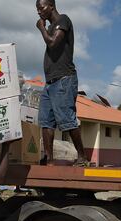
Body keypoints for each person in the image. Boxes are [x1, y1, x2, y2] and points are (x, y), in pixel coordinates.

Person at [36, 0, 88, 166]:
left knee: (66, 119)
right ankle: (49, 160)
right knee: (45, 121)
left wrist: (41, 28)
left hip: (64, 79)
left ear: (51, 6)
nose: (39, 12)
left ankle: (82, 157)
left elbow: (52, 42)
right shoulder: (51, 26)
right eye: (37, 9)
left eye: (41, 7)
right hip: (50, 82)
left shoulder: (63, 20)